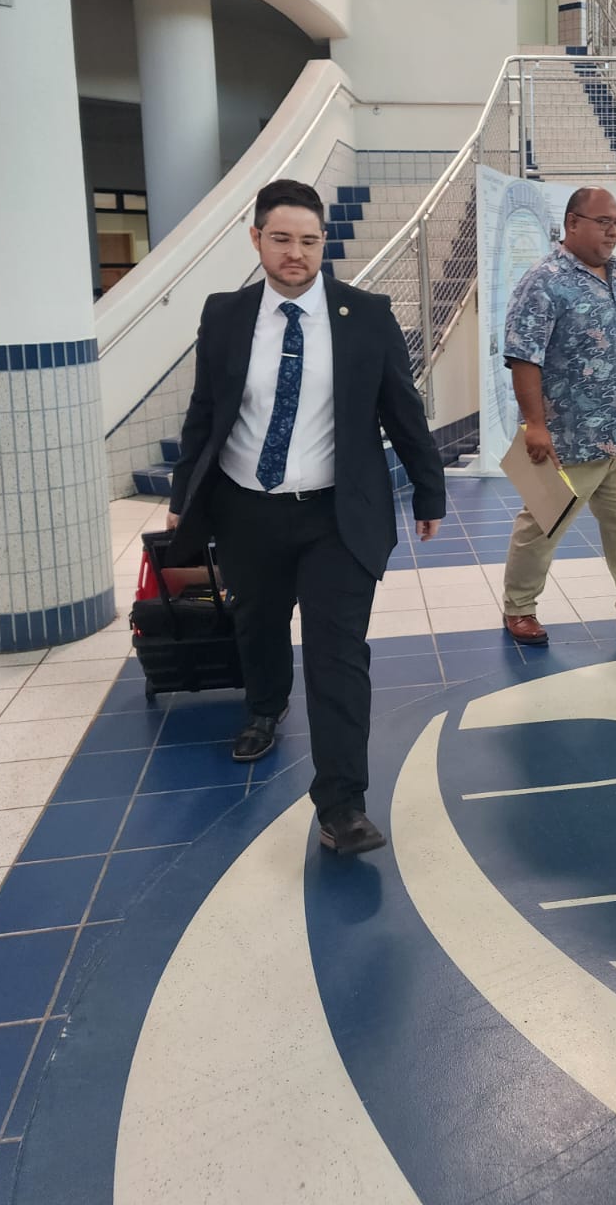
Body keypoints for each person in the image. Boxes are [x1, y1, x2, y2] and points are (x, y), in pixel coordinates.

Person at [166, 179, 446, 855]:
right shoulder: (225, 315)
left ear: (324, 242)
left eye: (309, 241)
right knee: (256, 621)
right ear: (257, 238)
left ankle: (342, 804)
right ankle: (265, 705)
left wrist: (430, 493)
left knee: (338, 655)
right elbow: (206, 413)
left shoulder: (367, 315)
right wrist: (184, 501)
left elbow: (402, 410)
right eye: (282, 239)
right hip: (245, 510)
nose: (296, 253)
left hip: (335, 517)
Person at [500, 186, 616, 648]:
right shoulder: (544, 280)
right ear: (572, 224)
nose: (612, 231)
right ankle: (519, 608)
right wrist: (536, 425)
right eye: (603, 221)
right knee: (543, 523)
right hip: (569, 438)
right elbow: (525, 357)